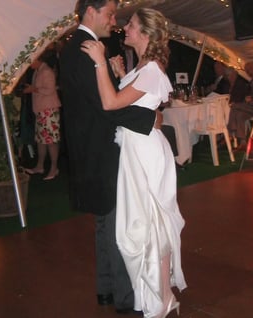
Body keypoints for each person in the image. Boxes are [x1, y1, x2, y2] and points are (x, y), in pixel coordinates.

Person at [82, 7, 187, 317]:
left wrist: (100, 61)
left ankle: (161, 298)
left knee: (151, 224)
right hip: (134, 149)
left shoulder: (152, 69)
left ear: (144, 34)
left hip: (145, 153)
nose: (124, 27)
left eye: (131, 24)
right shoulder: (143, 66)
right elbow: (132, 103)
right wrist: (116, 73)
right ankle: (151, 292)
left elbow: (111, 103)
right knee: (140, 224)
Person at [58, 0, 158, 314]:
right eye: (109, 13)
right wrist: (150, 120)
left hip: (92, 148)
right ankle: (125, 298)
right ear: (91, 11)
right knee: (118, 224)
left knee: (106, 221)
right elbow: (106, 105)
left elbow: (103, 99)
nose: (114, 21)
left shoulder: (77, 47)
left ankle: (106, 289)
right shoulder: (86, 49)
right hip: (102, 150)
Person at [23, 50, 61, 180]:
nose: (29, 65)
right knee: (41, 140)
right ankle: (40, 166)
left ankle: (54, 167)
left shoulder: (46, 71)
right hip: (41, 110)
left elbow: (50, 89)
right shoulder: (38, 71)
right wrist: (32, 88)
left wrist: (33, 89)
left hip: (49, 110)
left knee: (51, 140)